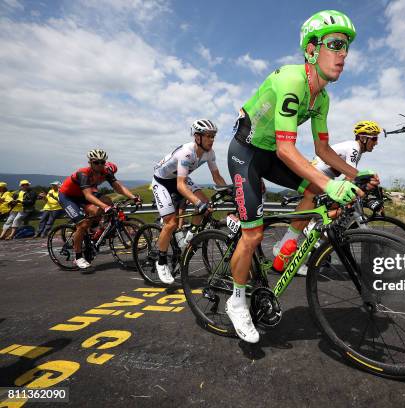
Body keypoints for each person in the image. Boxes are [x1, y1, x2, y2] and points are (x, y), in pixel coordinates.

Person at [226, 10, 378, 343]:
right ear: (311, 50)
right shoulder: (292, 81)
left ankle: (286, 246)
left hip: (272, 155)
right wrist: (331, 182)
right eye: (335, 44)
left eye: (346, 47)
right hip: (247, 154)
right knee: (251, 237)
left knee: (312, 192)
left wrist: (356, 173)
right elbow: (286, 149)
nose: (343, 54)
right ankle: (236, 301)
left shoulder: (322, 98)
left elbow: (323, 151)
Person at [274, 120, 382, 275]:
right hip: (316, 177)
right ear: (364, 139)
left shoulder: (354, 150)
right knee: (334, 209)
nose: (376, 143)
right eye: (374, 139)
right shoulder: (354, 148)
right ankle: (301, 239)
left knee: (336, 210)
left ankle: (313, 238)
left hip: (320, 178)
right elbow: (351, 177)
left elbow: (350, 178)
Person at [152, 118, 227, 284]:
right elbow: (180, 186)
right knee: (171, 223)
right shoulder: (187, 152)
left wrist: (229, 191)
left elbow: (216, 176)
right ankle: (161, 260)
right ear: (197, 137)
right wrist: (197, 203)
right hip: (163, 181)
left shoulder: (210, 153)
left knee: (205, 203)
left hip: (180, 179)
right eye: (208, 136)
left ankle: (189, 238)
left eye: (213, 136)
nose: (211, 140)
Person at [58, 150, 141, 269]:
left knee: (106, 200)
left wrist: (133, 197)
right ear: (90, 162)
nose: (100, 165)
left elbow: (119, 187)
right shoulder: (83, 173)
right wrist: (104, 207)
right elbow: (88, 195)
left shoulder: (106, 172)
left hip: (82, 195)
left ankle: (93, 231)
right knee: (82, 224)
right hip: (68, 197)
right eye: (96, 162)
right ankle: (78, 257)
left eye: (102, 162)